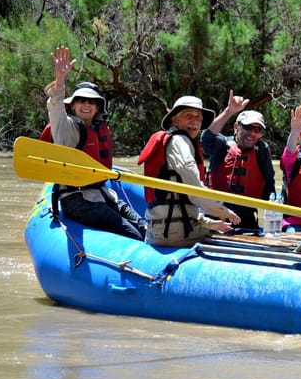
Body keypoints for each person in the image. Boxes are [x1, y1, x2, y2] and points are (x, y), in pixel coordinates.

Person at [41, 46, 145, 241]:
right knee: (132, 234)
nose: (86, 105)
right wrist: (60, 79)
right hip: (77, 200)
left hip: (103, 195)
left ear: (97, 108)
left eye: (91, 101)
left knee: (143, 228)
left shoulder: (99, 129)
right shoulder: (67, 128)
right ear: (73, 105)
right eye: (81, 100)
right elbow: (55, 107)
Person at [138, 96, 241, 247]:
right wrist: (223, 211)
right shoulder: (179, 141)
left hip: (166, 228)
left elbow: (181, 200)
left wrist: (209, 223)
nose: (195, 121)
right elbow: (194, 190)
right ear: (175, 120)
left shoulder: (177, 141)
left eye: (198, 118)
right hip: (175, 233)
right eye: (189, 116)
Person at [201, 92, 275, 230]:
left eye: (257, 129)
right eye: (247, 127)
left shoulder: (262, 150)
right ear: (236, 127)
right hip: (216, 217)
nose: (252, 133)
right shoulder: (222, 144)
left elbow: (269, 186)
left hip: (246, 219)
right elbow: (207, 138)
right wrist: (229, 111)